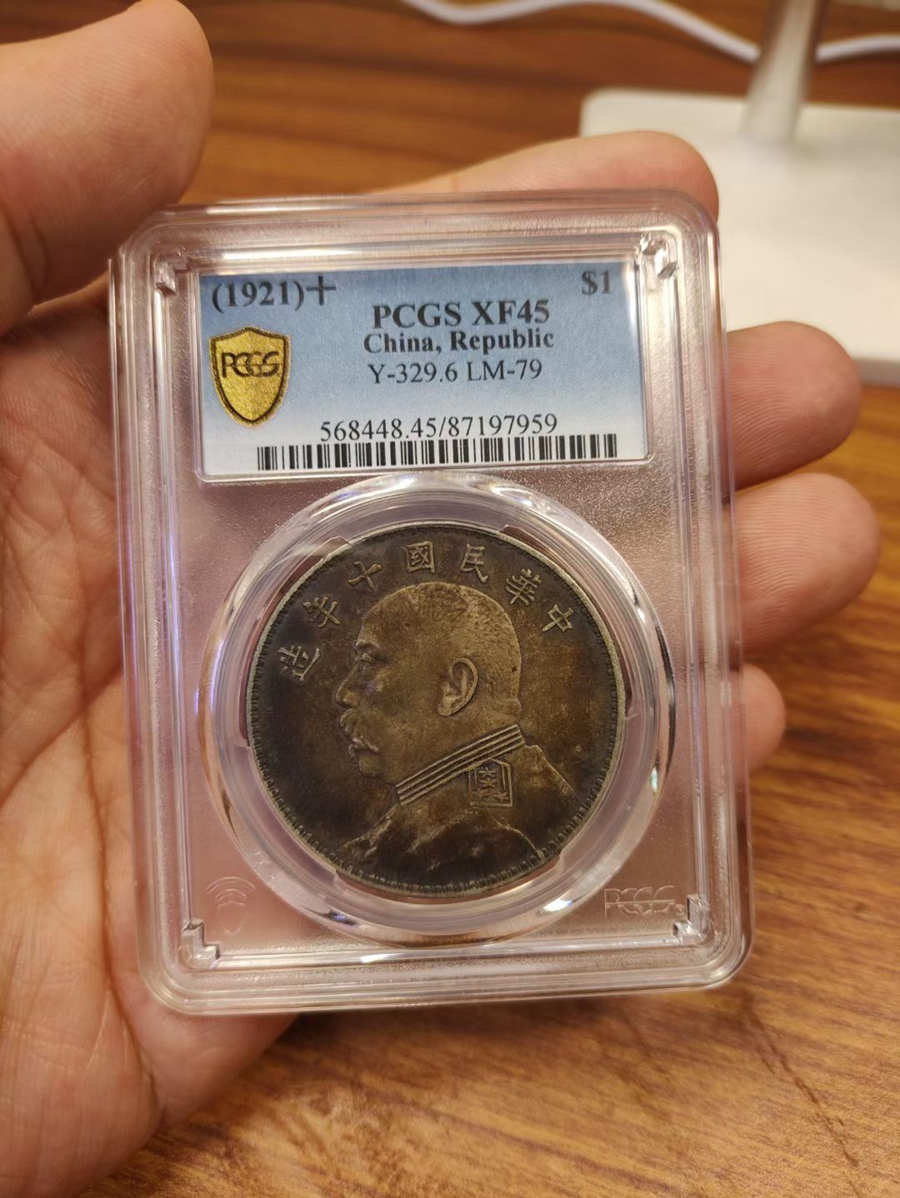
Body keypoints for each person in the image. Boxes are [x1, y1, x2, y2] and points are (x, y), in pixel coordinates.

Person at [0, 1, 879, 1194]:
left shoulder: (502, 832)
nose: (339, 693)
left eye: (372, 668)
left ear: (459, 684)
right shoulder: (400, 832)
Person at [336, 581, 572, 886]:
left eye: (368, 663)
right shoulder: (426, 829)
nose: (345, 693)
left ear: (454, 689)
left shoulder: (481, 842)